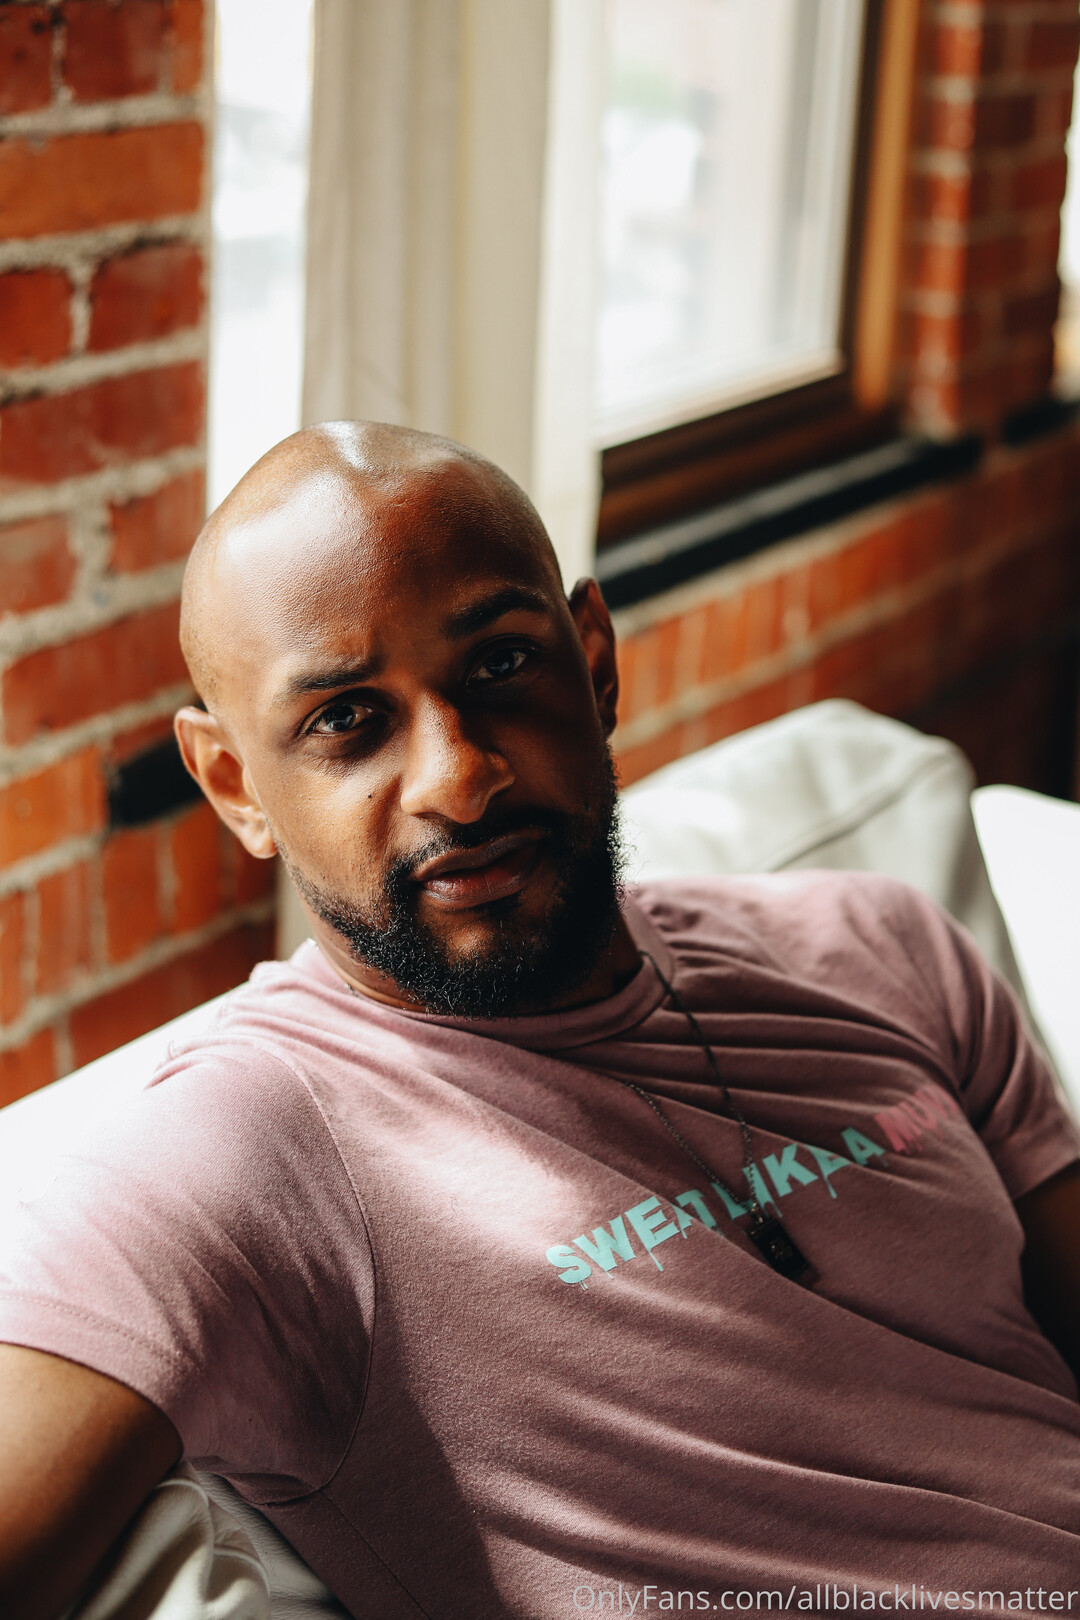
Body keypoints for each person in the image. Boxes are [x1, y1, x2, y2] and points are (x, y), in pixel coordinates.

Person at [2, 422, 1080, 1620]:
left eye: (502, 664)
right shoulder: (242, 1155)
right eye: (348, 720)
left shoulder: (882, 946)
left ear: (595, 662)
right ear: (235, 785)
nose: (460, 777)